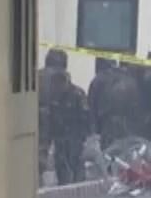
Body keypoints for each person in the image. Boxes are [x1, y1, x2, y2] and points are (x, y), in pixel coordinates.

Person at [37, 48, 91, 185]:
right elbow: (85, 116)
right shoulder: (69, 84)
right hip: (66, 129)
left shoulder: (36, 78)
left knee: (37, 163)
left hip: (40, 127)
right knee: (70, 166)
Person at [89, 57, 143, 147]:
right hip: (128, 130)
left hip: (107, 129)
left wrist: (94, 133)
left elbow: (92, 108)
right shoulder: (133, 81)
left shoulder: (99, 80)